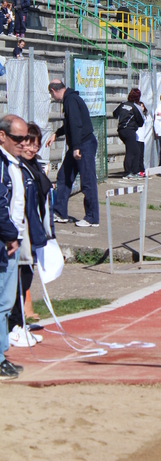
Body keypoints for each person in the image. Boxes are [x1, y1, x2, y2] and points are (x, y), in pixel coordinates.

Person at [9, 122, 53, 349]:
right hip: (18, 232)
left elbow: (40, 203)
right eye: (26, 143)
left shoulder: (34, 166)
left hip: (31, 231)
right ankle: (13, 326)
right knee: (17, 280)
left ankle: (18, 324)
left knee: (25, 277)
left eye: (34, 144)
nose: (30, 148)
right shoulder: (14, 167)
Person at [45, 80, 99, 227]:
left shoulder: (70, 100)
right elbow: (69, 124)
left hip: (83, 144)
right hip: (78, 144)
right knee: (63, 176)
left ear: (53, 91)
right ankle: (60, 212)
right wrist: (57, 134)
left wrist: (76, 147)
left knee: (87, 181)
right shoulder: (70, 99)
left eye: (51, 94)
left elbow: (76, 124)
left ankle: (92, 218)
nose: (53, 97)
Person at [0, 115, 28, 377]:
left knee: (6, 301)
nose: (23, 143)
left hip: (12, 237)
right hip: (5, 241)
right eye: (18, 138)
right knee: (2, 301)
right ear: (2, 136)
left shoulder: (14, 162)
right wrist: (9, 235)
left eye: (26, 138)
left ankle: (1, 354)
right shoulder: (1, 163)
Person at [113, 88, 144, 179]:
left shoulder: (123, 104)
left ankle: (133, 171)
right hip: (129, 131)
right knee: (132, 151)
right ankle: (128, 172)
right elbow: (141, 121)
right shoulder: (135, 107)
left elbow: (115, 114)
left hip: (121, 130)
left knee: (135, 151)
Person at [136, 102, 151, 176]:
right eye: (140, 106)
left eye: (143, 106)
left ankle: (142, 169)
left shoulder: (145, 116)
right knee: (138, 154)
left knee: (141, 155)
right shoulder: (136, 115)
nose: (142, 108)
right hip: (137, 137)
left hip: (142, 138)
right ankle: (138, 170)